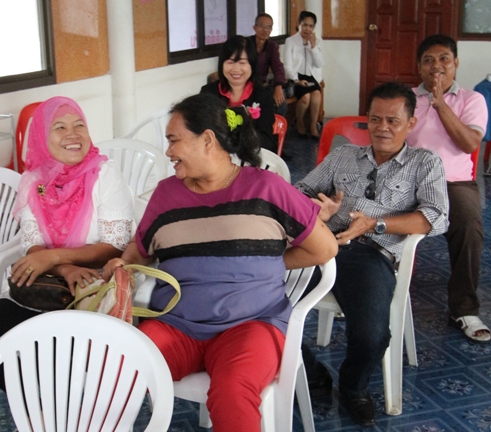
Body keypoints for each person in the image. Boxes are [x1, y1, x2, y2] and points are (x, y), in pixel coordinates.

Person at [102, 93, 338, 432]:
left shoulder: (267, 188)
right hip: (177, 325)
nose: (168, 151)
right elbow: (139, 252)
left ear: (207, 140)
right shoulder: (166, 194)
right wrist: (121, 264)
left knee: (232, 392)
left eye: (173, 140)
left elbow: (324, 248)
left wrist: (267, 262)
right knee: (114, 370)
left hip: (252, 325)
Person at [296, 82, 449, 426]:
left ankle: (353, 386)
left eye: (393, 121)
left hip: (370, 256)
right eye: (375, 119)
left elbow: (436, 217)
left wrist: (374, 224)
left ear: (411, 123)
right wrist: (317, 208)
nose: (382, 128)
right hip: (321, 245)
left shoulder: (424, 163)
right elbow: (300, 191)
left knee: (371, 336)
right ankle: (312, 373)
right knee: (261, 300)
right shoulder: (343, 156)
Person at [0, 96, 134, 390]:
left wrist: (53, 258)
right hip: (51, 283)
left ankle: (62, 401)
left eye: (79, 125)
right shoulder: (33, 180)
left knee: (53, 352)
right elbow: (33, 245)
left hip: (95, 285)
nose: (73, 134)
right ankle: (40, 406)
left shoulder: (105, 175)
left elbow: (115, 246)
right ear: (41, 136)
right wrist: (64, 268)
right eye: (59, 127)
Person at [406, 34, 490, 343]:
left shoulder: (472, 99)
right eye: (428, 60)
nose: (436, 66)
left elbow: (469, 143)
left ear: (456, 63)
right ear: (419, 66)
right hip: (408, 179)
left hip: (453, 182)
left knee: (469, 225)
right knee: (371, 215)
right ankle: (373, 290)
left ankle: (464, 309)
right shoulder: (407, 98)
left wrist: (440, 103)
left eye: (444, 59)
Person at [200, 35, 277, 153]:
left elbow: (266, 141)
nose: (236, 69)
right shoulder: (208, 93)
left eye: (242, 62)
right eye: (230, 62)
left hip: (250, 157)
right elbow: (200, 132)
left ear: (252, 65)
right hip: (215, 157)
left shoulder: (263, 96)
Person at [283, 10, 323, 140]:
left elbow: (319, 64)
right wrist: (296, 80)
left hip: (312, 76)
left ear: (314, 27)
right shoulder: (290, 41)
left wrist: (313, 46)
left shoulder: (317, 42)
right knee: (305, 97)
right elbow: (287, 66)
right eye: (304, 25)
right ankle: (299, 123)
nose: (307, 28)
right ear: (299, 24)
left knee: (316, 94)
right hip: (296, 77)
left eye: (311, 26)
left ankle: (313, 125)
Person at [249, 13, 287, 116]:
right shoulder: (246, 44)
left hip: (262, 86)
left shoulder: (272, 46)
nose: (265, 30)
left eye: (269, 27)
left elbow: (278, 66)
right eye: (262, 26)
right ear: (254, 27)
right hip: (246, 85)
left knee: (281, 101)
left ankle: (277, 126)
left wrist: (278, 86)